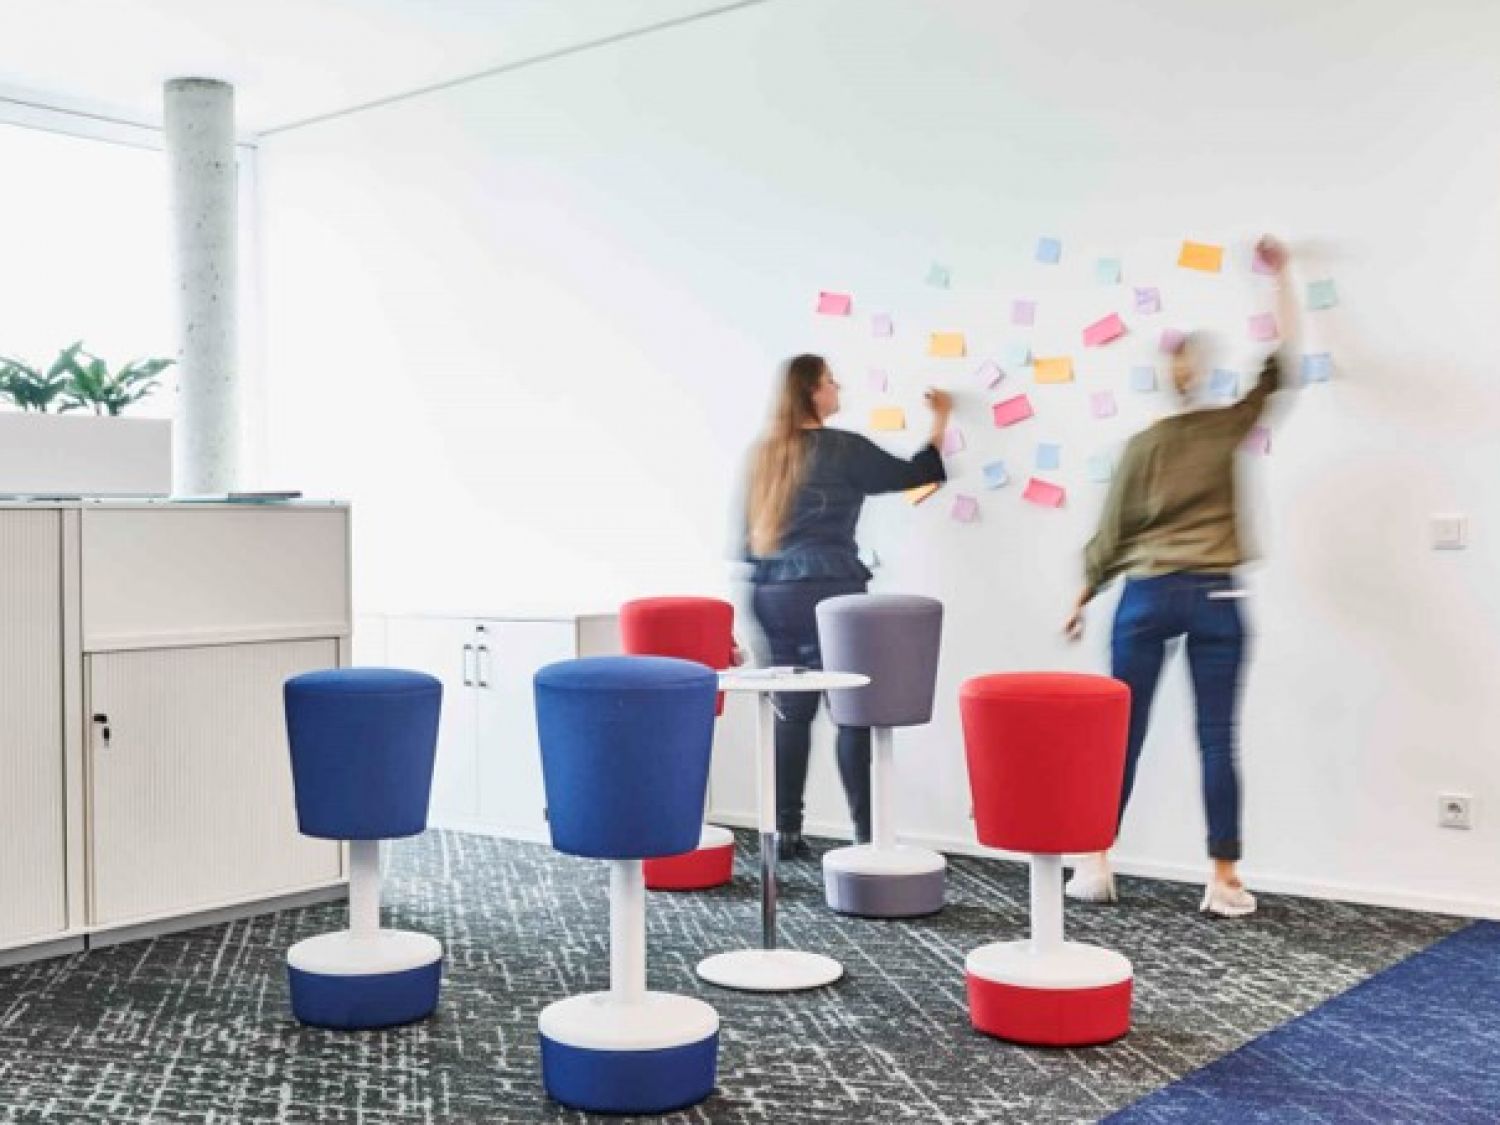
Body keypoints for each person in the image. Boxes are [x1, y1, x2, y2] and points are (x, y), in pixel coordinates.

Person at [1063, 235, 1296, 917]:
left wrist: (1083, 595)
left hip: (1147, 593)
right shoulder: (1228, 426)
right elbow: (1280, 365)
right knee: (1217, 736)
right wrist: (1280, 278)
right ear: (1208, 376)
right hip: (1218, 593)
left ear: (1168, 379)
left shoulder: (1142, 446)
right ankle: (1224, 879)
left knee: (1121, 733)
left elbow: (1111, 534)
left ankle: (1095, 862)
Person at [744, 353, 951, 860]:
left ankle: (785, 832)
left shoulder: (765, 454)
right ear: (813, 391)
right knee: (852, 714)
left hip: (770, 591)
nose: (838, 390)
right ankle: (866, 834)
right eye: (832, 382)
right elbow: (919, 473)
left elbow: (744, 542)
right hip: (830, 589)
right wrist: (941, 419)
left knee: (791, 713)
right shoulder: (843, 449)